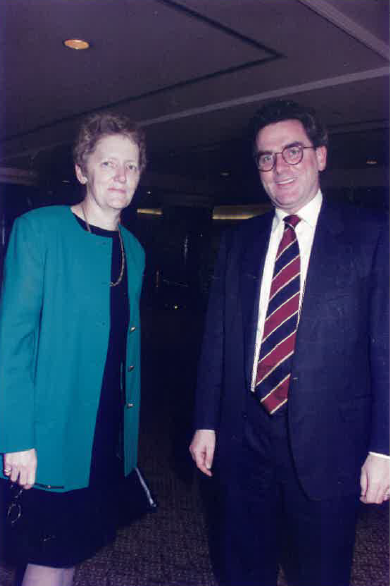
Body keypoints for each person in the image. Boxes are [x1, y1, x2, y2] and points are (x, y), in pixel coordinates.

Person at [189, 99, 389, 586]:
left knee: (320, 573)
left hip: (331, 444)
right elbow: (217, 339)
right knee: (242, 568)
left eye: (293, 151)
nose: (279, 166)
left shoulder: (373, 236)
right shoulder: (240, 240)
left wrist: (384, 449)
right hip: (243, 435)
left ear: (321, 156)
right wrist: (206, 423)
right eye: (266, 157)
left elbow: (387, 349)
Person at [0, 112, 147, 586]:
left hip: (105, 433)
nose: (121, 176)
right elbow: (11, 341)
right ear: (82, 170)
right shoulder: (39, 230)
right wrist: (17, 439)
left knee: (74, 552)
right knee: (48, 555)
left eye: (131, 165)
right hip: (50, 431)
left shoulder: (135, 250)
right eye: (108, 164)